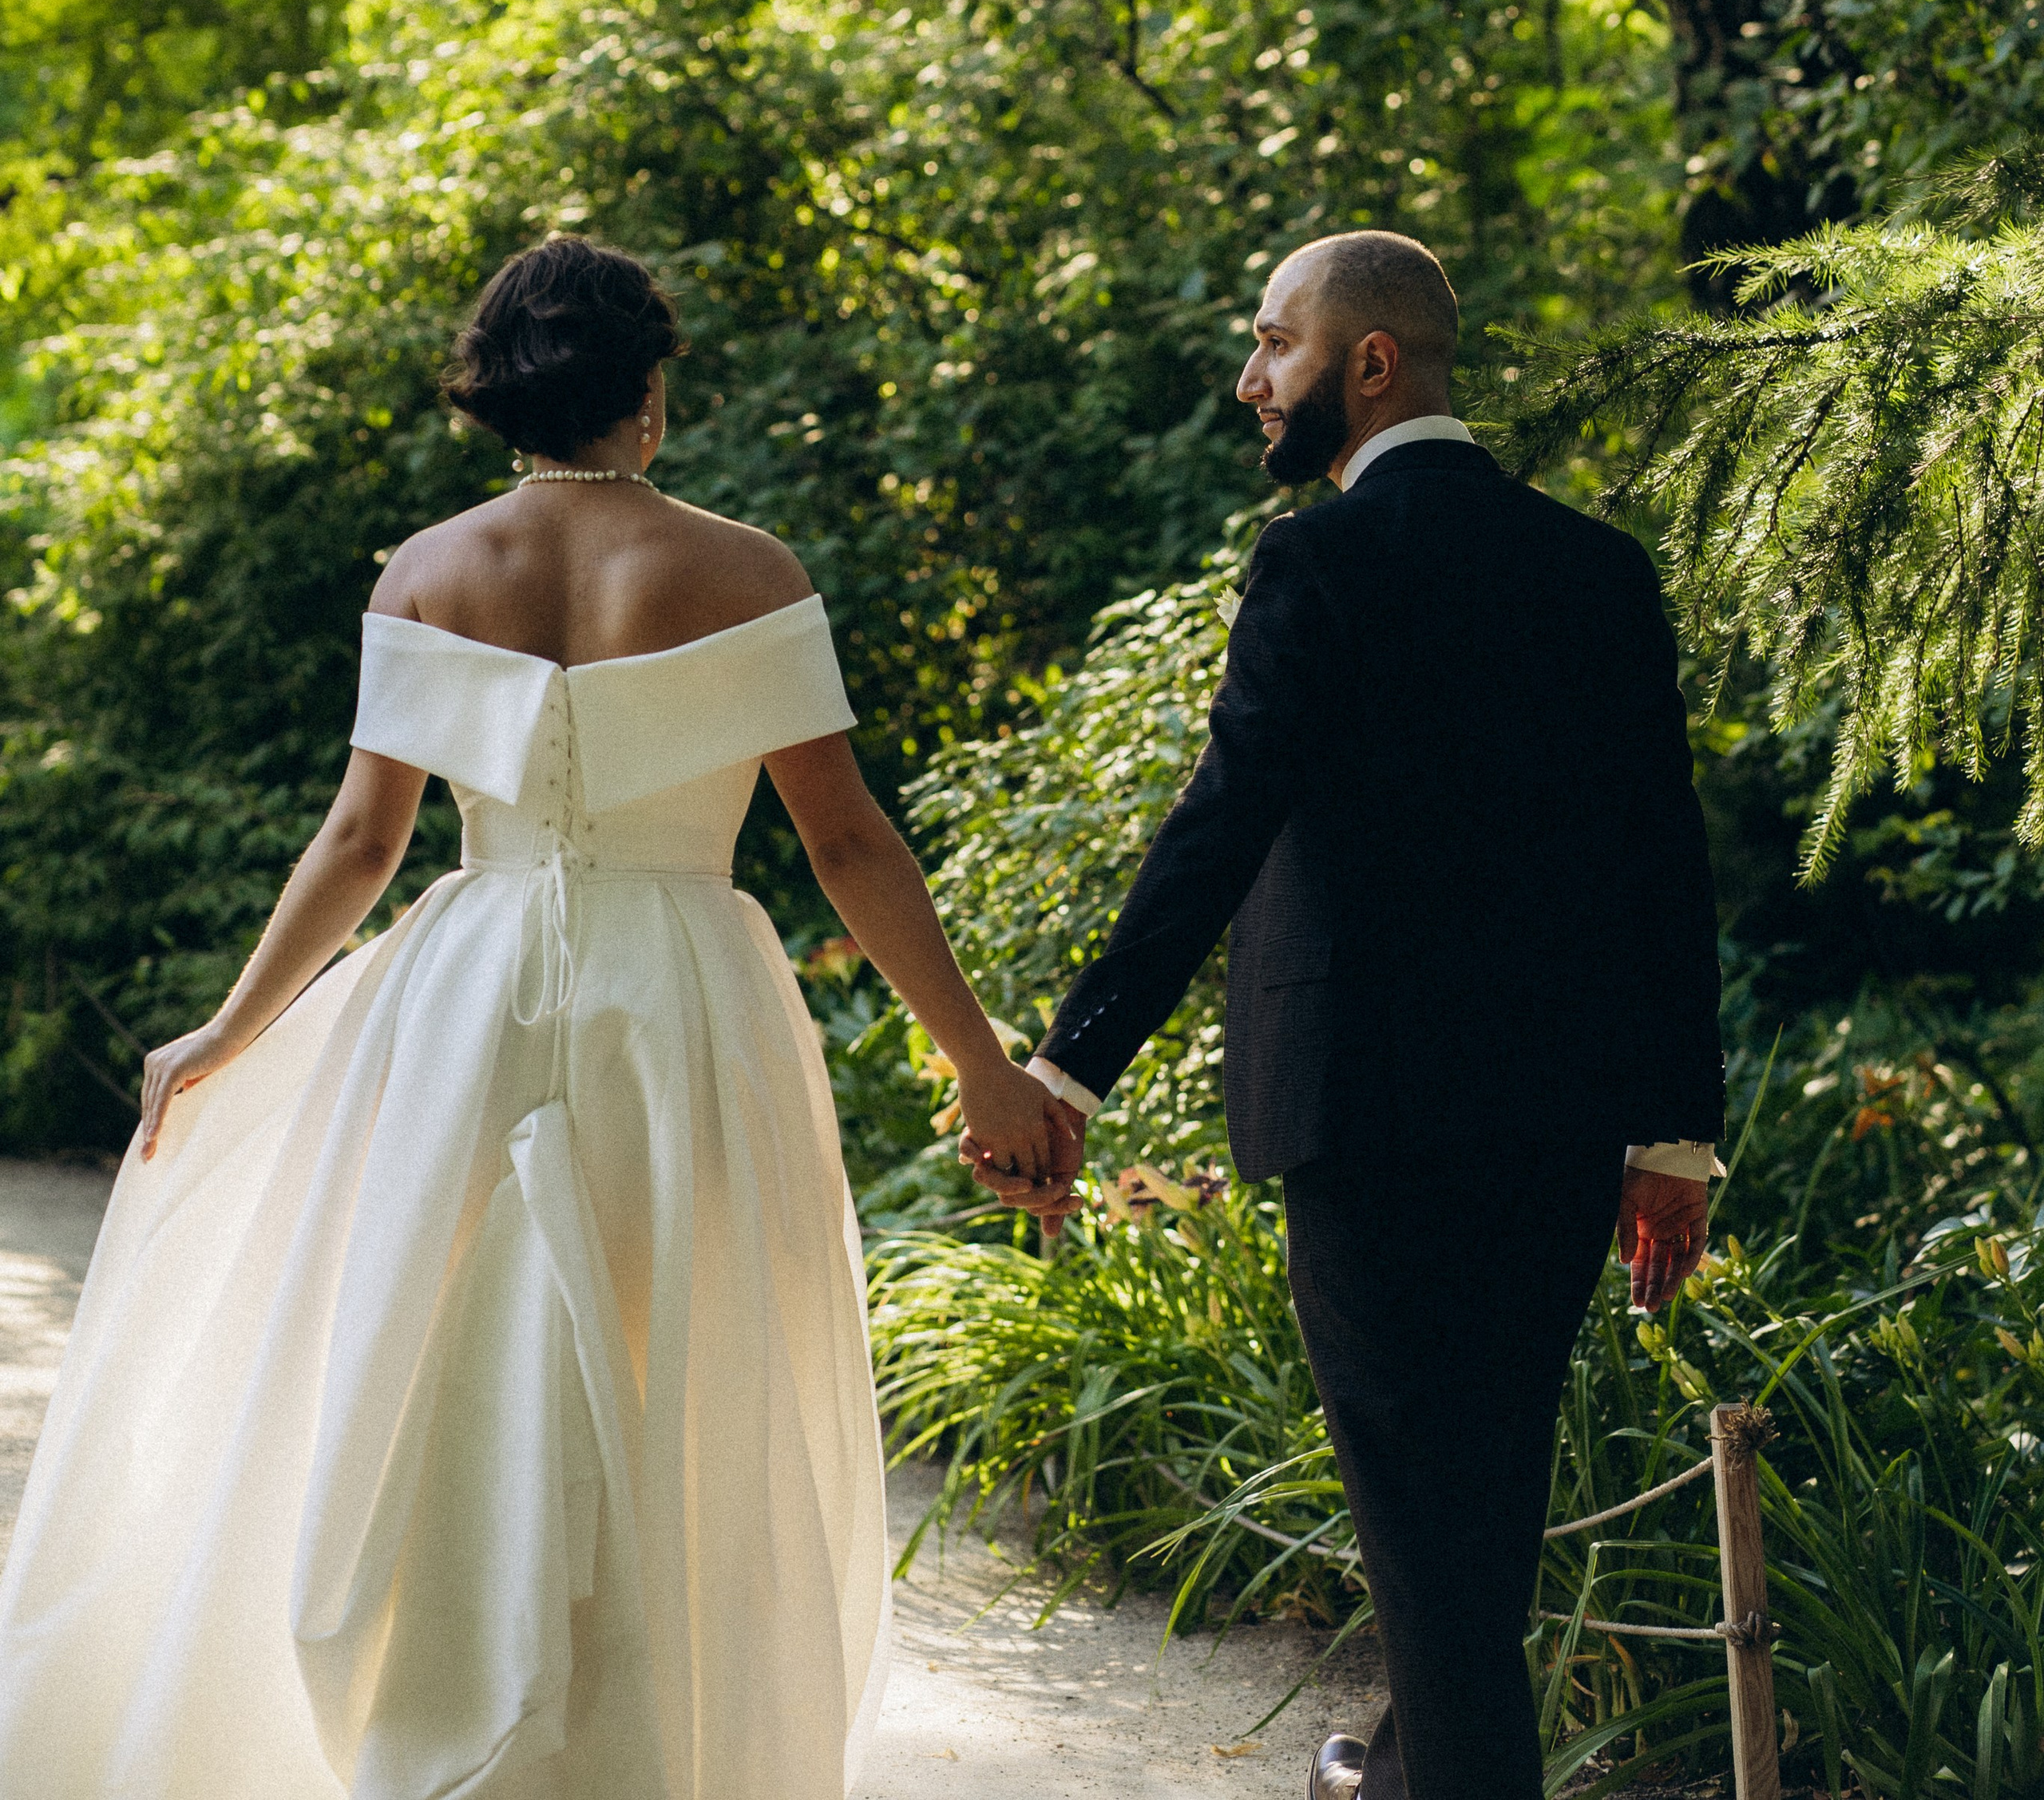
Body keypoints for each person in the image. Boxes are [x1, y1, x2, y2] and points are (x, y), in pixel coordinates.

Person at [0, 233, 1059, 1800]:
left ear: (505, 389)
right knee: (679, 1354)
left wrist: (224, 1033)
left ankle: (446, 1713)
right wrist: (982, 1068)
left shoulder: (428, 569)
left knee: (437, 1354)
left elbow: (363, 843)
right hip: (678, 988)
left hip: (471, 984)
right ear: (648, 390)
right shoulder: (747, 570)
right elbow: (844, 844)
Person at [969, 230, 1725, 1800]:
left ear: (1365, 364)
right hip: (1557, 1125)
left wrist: (1064, 1066)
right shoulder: (1597, 570)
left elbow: (1219, 825)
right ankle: (1379, 1776)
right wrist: (1672, 1136)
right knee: (1472, 1525)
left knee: (1426, 1530)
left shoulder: (1320, 565)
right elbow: (1662, 862)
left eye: (1272, 345)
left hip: (1367, 1124)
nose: (1251, 381)